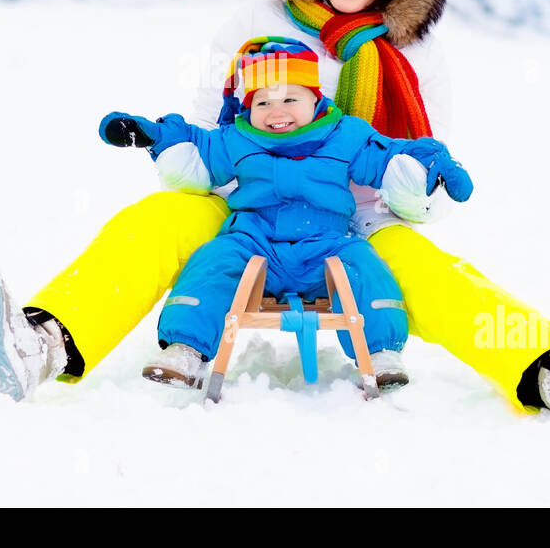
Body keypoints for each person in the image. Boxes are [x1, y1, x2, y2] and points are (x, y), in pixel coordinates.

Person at [0, 0, 550, 414]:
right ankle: (40, 345)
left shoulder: (414, 58)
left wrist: (398, 188)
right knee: (155, 221)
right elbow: (209, 129)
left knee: (432, 271)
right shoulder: (255, 21)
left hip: (357, 222)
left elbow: (421, 179)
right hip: (243, 206)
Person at [97, 37, 473, 390]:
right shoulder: (237, 137)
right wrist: (157, 138)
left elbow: (387, 156)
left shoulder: (346, 135)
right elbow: (199, 153)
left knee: (364, 266)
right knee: (214, 261)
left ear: (314, 99)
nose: (276, 112)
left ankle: (381, 351)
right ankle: (187, 348)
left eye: (290, 99)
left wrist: (427, 164)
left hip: (327, 244)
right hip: (253, 239)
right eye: (262, 103)